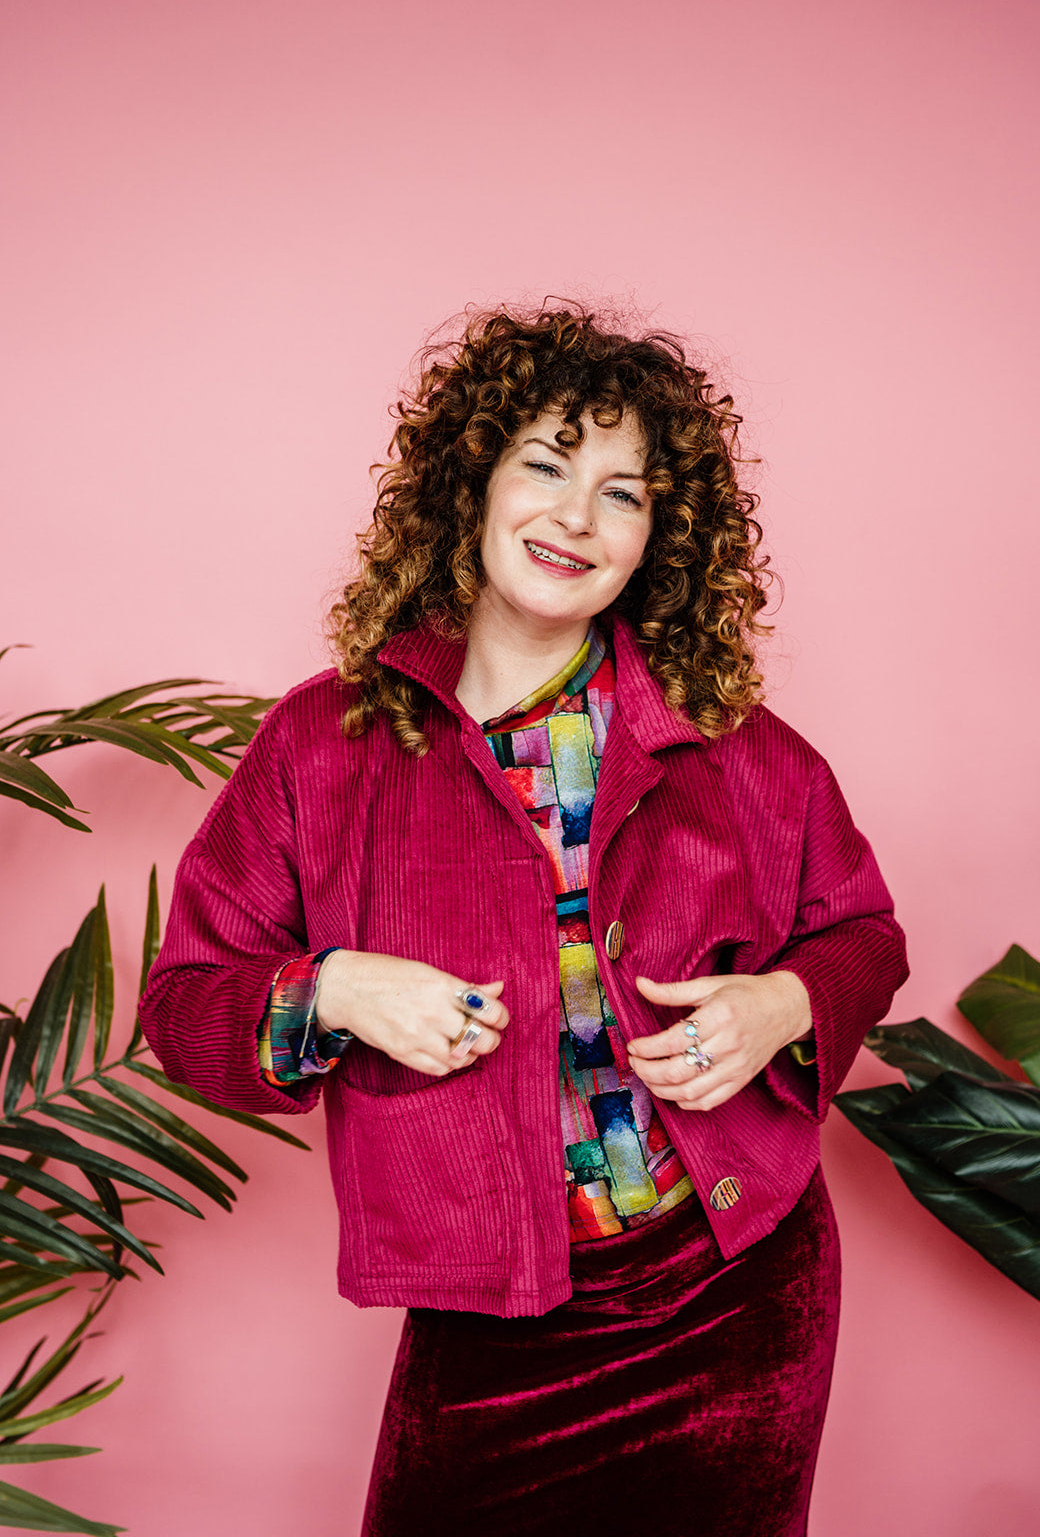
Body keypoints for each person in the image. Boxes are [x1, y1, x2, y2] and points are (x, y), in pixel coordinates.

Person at [140, 304, 908, 1537]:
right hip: (488, 1314)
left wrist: (782, 1003)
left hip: (734, 1293)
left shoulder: (732, 744)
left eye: (622, 493)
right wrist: (332, 991)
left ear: (657, 539)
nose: (575, 518)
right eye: (546, 466)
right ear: (474, 483)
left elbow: (862, 934)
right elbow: (182, 1008)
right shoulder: (322, 743)